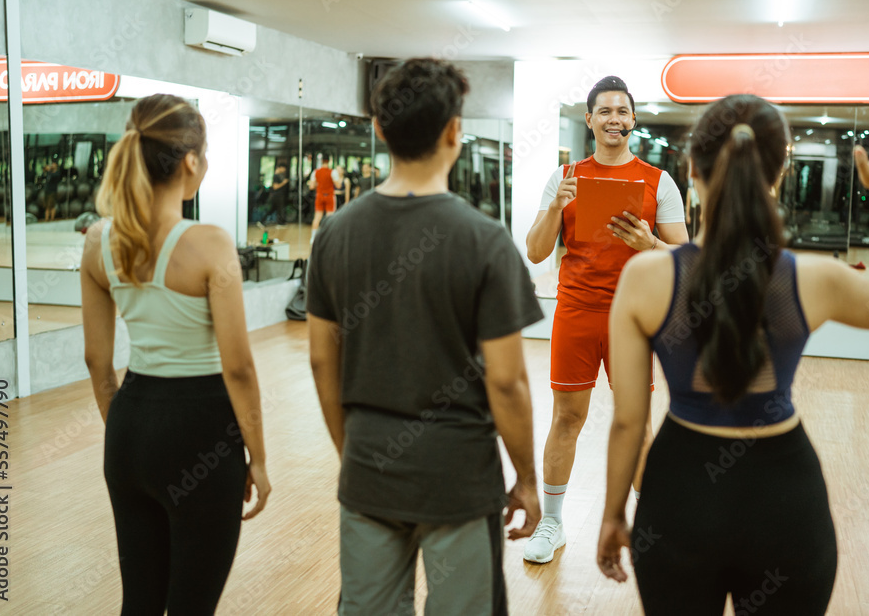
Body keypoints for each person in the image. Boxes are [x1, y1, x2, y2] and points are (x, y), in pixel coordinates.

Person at [597, 98, 869, 614]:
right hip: (786, 503)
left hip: (680, 497)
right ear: (779, 173)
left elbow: (628, 423)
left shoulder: (646, 277)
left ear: (692, 169)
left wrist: (613, 513)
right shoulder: (811, 277)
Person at [306, 58, 544, 615]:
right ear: (454, 131)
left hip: (369, 467)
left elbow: (321, 361)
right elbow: (507, 382)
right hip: (457, 476)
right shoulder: (484, 240)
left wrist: (355, 453)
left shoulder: (334, 233)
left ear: (378, 129)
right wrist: (527, 478)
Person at [80, 94, 271, 614]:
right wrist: (258, 457)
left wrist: (131, 433)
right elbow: (238, 367)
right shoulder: (209, 242)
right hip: (200, 434)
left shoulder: (97, 241)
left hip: (128, 430)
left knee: (139, 602)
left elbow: (97, 361)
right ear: (190, 161)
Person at [523, 75, 689, 564]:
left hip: (633, 317)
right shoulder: (565, 176)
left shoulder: (659, 182)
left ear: (632, 120)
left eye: (622, 111)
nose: (614, 119)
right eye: (605, 111)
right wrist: (556, 207)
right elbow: (535, 252)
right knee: (566, 419)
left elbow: (686, 259)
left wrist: (650, 243)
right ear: (590, 119)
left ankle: (650, 524)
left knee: (635, 423)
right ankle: (552, 523)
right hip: (576, 311)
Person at [309, 156, 336, 234]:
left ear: (321, 161)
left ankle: (313, 237)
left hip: (319, 196)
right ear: (329, 161)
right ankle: (329, 236)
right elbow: (338, 185)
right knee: (329, 218)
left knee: (317, 217)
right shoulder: (333, 172)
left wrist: (318, 184)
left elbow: (311, 187)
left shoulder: (315, 172)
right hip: (329, 196)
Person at [685, 175, 701, 240]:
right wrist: (687, 215)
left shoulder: (700, 191)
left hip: (698, 209)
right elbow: (688, 203)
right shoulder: (690, 190)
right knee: (692, 227)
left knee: (698, 227)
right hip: (693, 209)